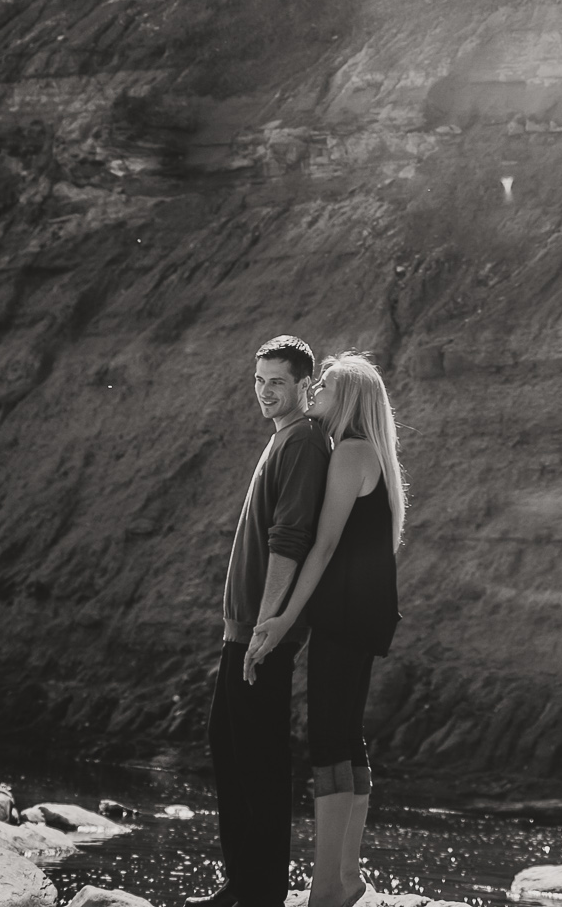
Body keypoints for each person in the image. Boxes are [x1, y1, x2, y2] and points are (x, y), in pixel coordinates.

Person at [245, 352, 405, 907]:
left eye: (326, 389)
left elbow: (326, 545)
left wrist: (286, 615)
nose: (314, 396)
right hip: (365, 612)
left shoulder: (350, 454)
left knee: (328, 744)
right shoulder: (372, 455)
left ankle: (325, 890)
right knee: (348, 741)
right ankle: (346, 877)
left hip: (341, 613)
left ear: (350, 400)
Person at [189, 334, 330, 907]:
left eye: (277, 382)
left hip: (262, 630)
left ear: (303, 386)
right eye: (259, 380)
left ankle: (259, 891)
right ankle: (245, 884)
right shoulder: (283, 439)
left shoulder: (301, 443)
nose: (265, 392)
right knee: (230, 742)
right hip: (245, 627)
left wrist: (266, 626)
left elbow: (289, 539)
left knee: (259, 755)